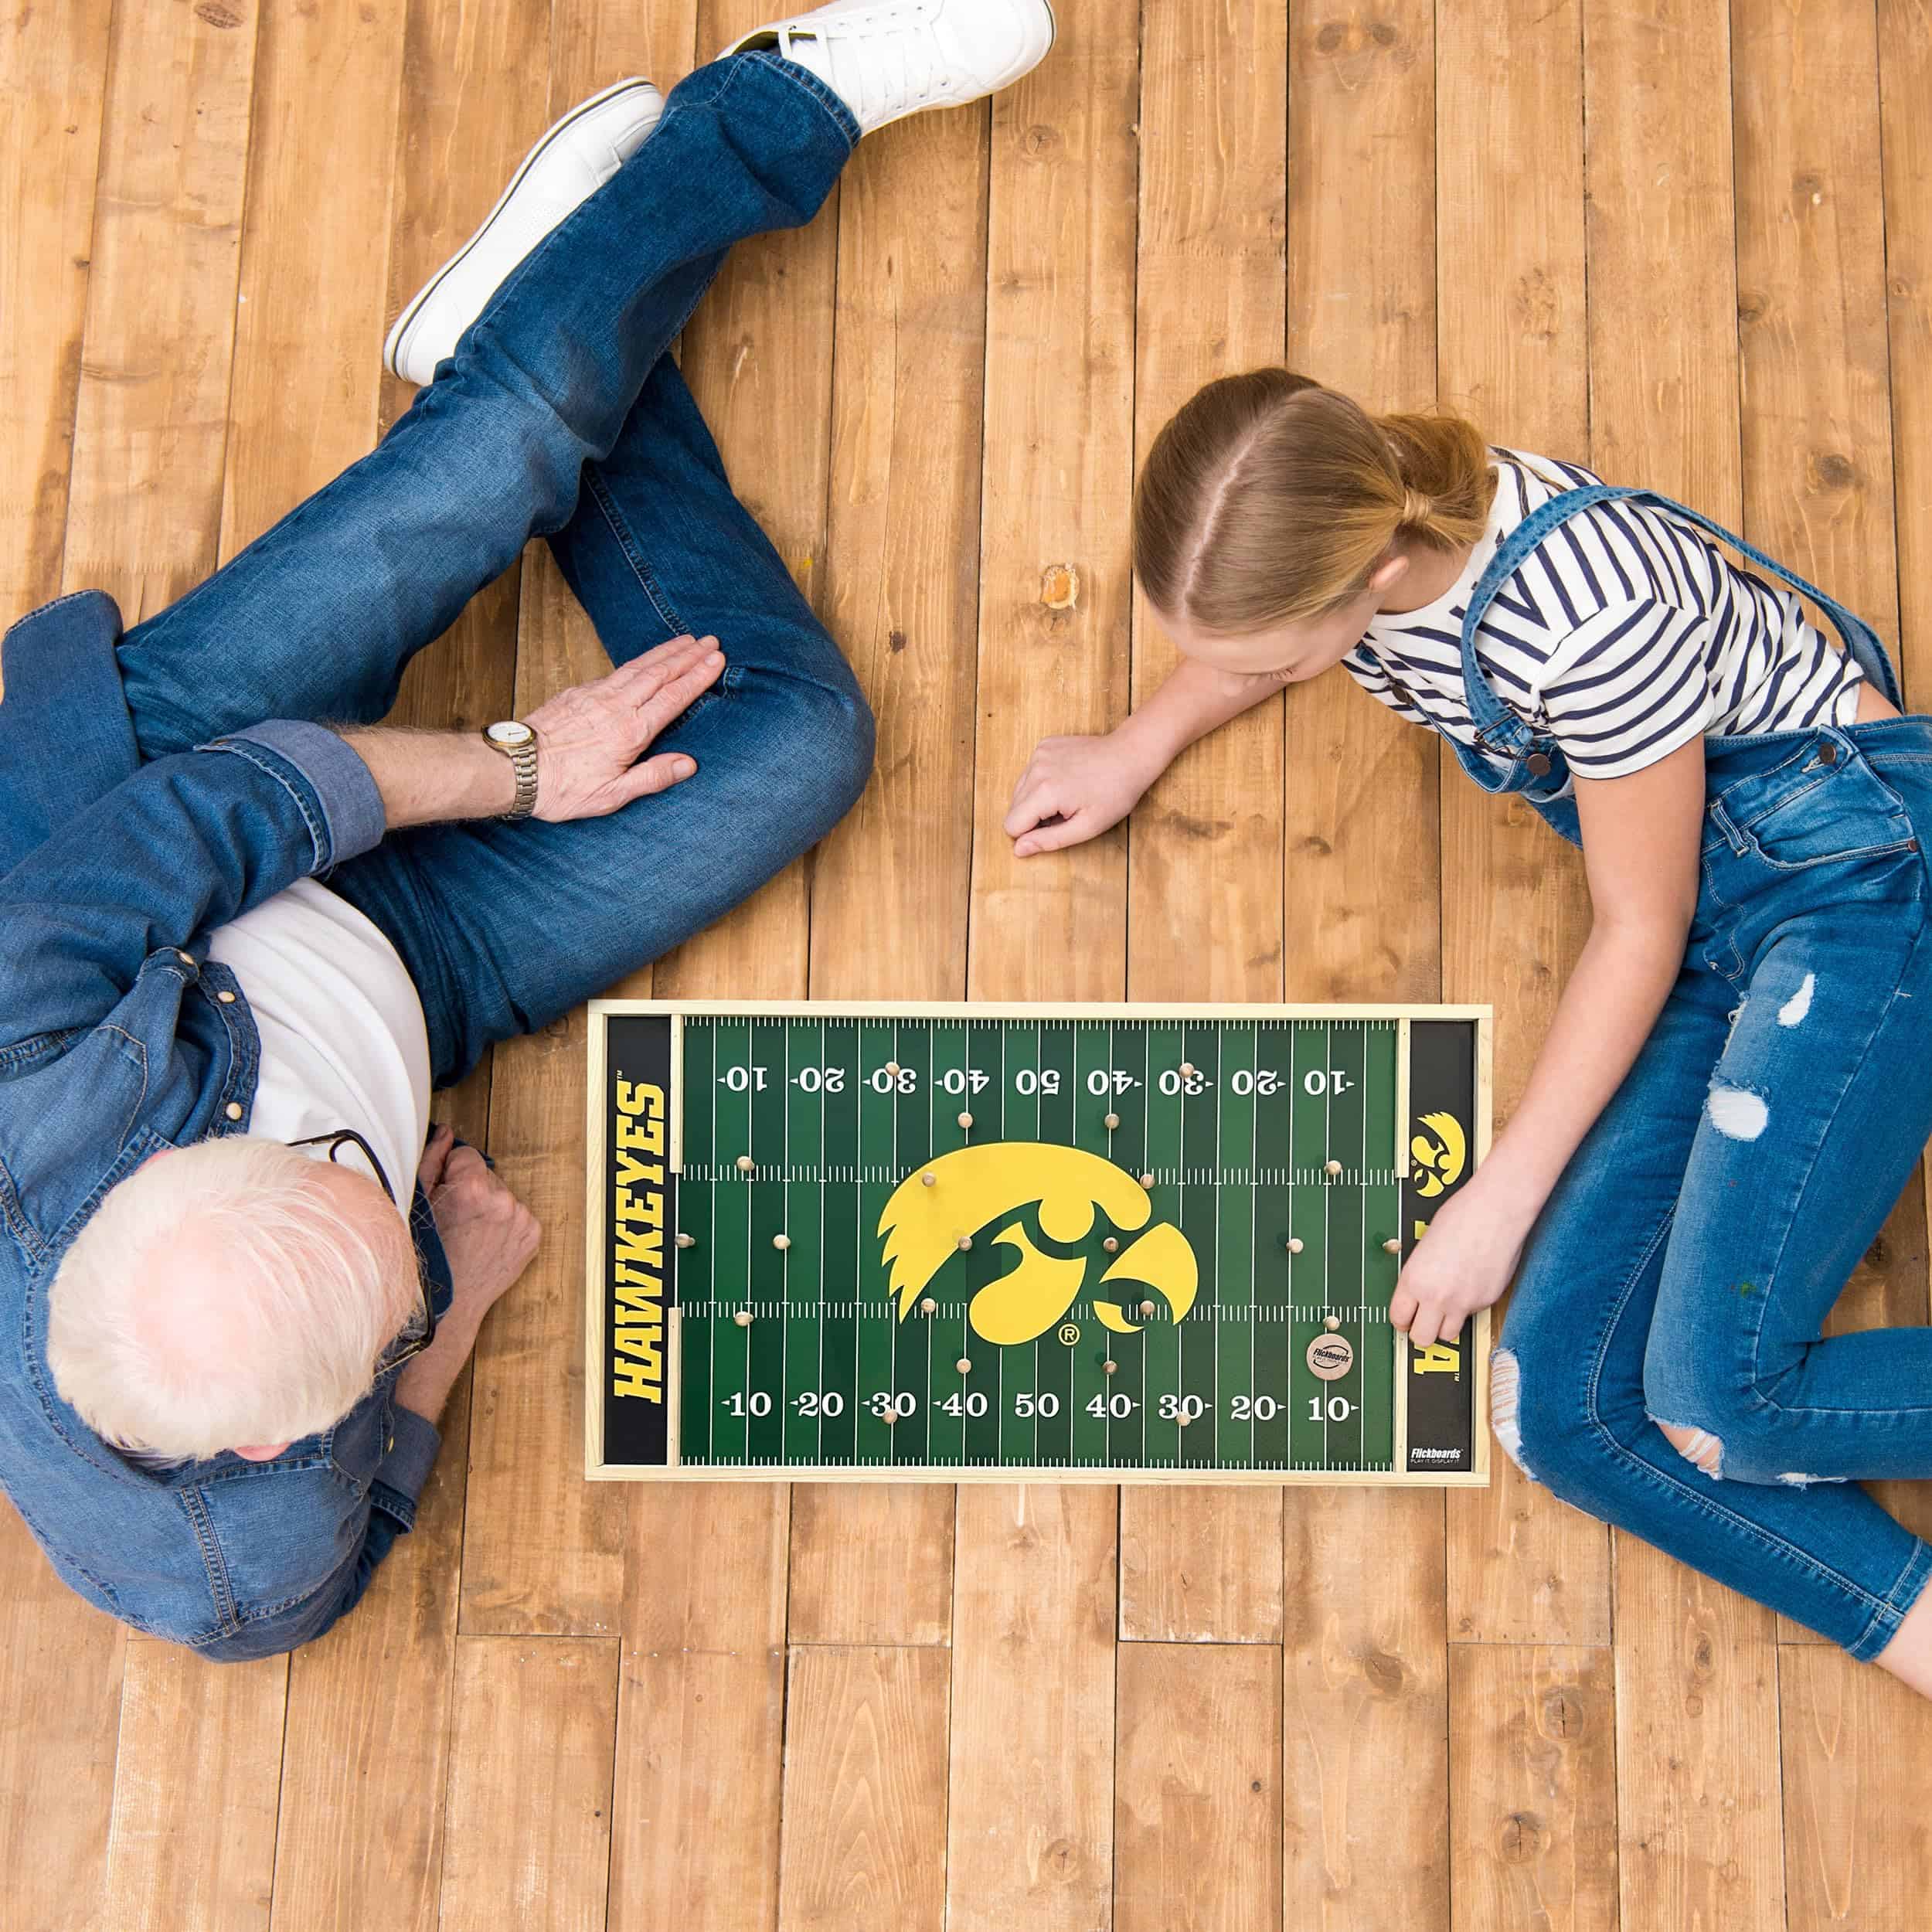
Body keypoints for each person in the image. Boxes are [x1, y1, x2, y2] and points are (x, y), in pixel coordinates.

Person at [0, 0, 1057, 1660]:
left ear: (164, 1165)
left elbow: (235, 802)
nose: (370, 1175)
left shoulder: (21, 1043)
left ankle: (770, 110)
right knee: (803, 743)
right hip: (419, 974)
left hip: (154, 796)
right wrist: (457, 1311)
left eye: (316, 1169)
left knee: (498, 448)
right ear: (281, 1437)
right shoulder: (239, 1558)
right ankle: (529, 294)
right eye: (384, 1239)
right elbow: (358, 1545)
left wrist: (518, 766)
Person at [1008, 366, 1932, 1695]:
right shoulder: (1376, 512)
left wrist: (1496, 1202)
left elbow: (1639, 926)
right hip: (1719, 906)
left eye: (1271, 660)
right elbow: (1267, 632)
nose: (1250, 676)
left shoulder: (1590, 629)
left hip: (1856, 887)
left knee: (1730, 1404)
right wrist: (1139, 741)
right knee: (1563, 1415)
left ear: (1376, 571)